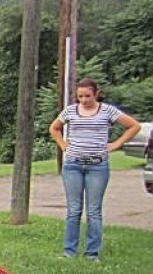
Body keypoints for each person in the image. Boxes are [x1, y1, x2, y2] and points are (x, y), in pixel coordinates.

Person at [49, 78, 141, 260]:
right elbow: (54, 128)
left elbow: (134, 126)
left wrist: (116, 144)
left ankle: (92, 253)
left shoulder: (107, 111)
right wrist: (63, 145)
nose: (84, 100)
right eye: (80, 96)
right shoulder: (70, 111)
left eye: (88, 96)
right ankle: (69, 251)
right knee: (74, 210)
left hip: (97, 166)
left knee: (94, 210)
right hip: (73, 165)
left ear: (96, 93)